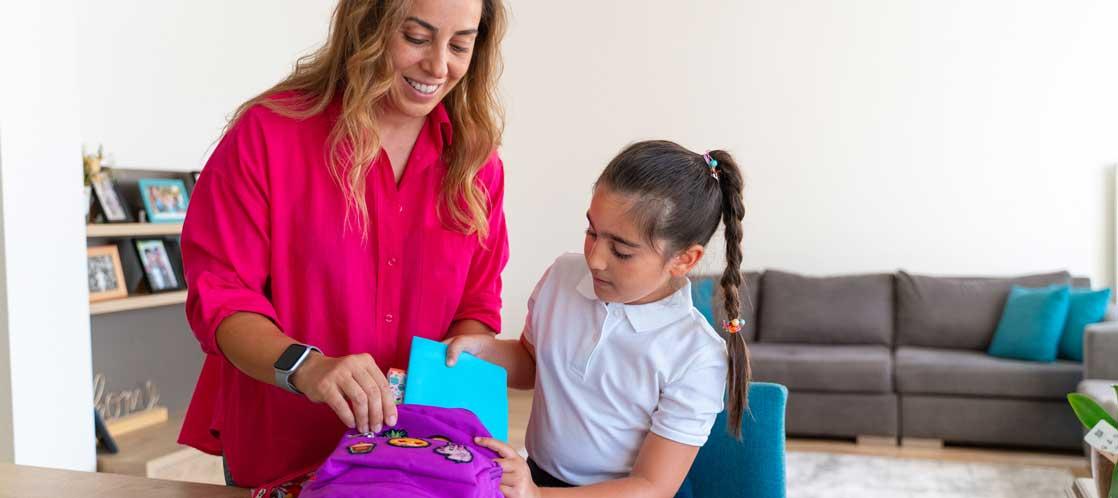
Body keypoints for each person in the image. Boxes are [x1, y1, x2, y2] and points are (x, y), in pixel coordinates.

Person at [177, 0, 509, 487]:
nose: (439, 66)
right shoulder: (269, 135)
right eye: (416, 38)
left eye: (460, 44)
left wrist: (447, 375)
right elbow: (221, 296)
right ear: (367, 26)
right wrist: (306, 367)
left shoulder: (478, 164)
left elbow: (477, 304)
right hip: (284, 451)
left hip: (414, 462)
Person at [446, 140, 752, 498]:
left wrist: (537, 495)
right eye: (592, 232)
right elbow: (532, 362)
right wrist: (484, 349)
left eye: (621, 251)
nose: (595, 259)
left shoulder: (695, 354)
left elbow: (651, 487)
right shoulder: (563, 276)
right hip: (537, 476)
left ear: (683, 260)